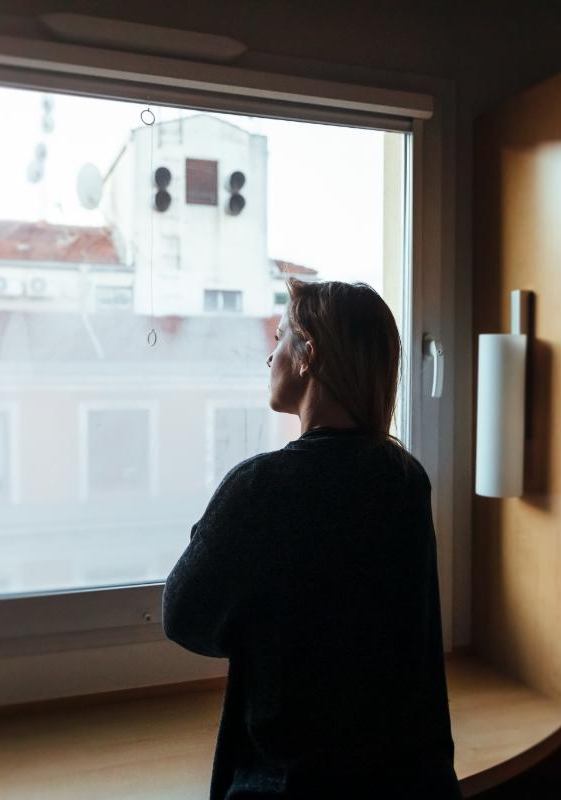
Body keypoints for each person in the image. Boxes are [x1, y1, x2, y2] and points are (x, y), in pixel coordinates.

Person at [163, 279, 459, 799]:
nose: (269, 355)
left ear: (308, 357)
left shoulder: (260, 489)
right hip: (407, 784)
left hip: (289, 786)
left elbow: (183, 615)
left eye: (279, 338)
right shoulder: (407, 481)